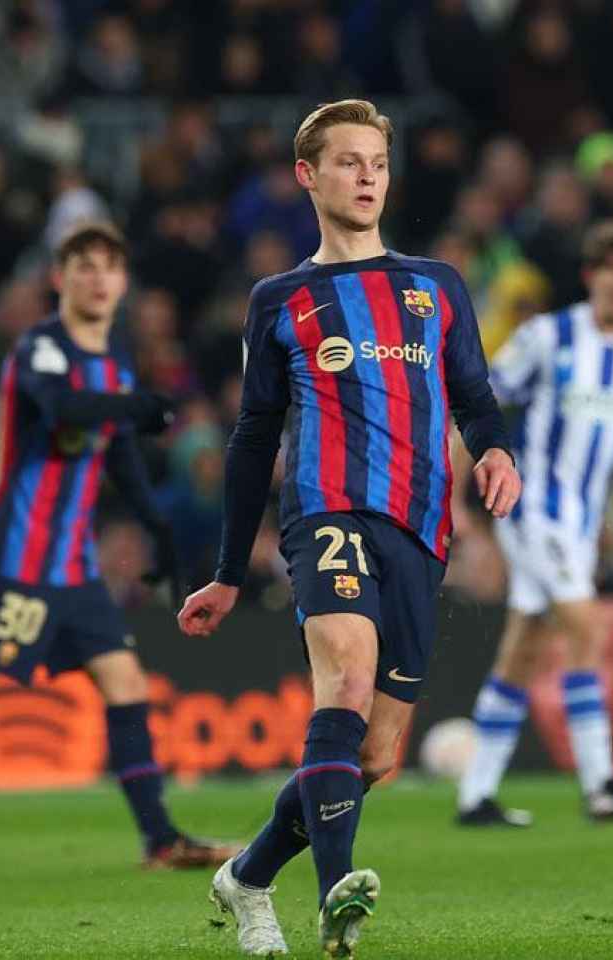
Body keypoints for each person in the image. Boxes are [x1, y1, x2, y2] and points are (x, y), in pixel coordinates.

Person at [175, 99, 519, 959]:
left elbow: (475, 395)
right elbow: (254, 437)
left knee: (372, 757)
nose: (367, 176)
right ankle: (338, 896)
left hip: (420, 525)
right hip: (324, 510)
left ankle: (248, 877)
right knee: (347, 678)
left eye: (377, 162)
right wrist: (225, 569)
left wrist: (497, 452)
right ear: (308, 176)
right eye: (348, 162)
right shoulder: (280, 300)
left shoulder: (435, 286)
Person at [0, 221, 237, 876]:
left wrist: (159, 527)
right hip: (17, 562)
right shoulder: (41, 349)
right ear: (60, 280)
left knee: (124, 682)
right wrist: (135, 404)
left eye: (109, 268)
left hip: (74, 569)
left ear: (122, 282)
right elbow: (64, 410)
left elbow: (116, 449)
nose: (96, 279)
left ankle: (161, 839)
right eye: (83, 267)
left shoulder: (113, 362)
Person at [454, 221, 613, 827]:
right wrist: (453, 501)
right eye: (612, 270)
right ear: (593, 276)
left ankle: (476, 795)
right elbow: (478, 403)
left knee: (525, 648)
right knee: (587, 630)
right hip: (533, 506)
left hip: (580, 521)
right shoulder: (548, 336)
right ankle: (601, 785)